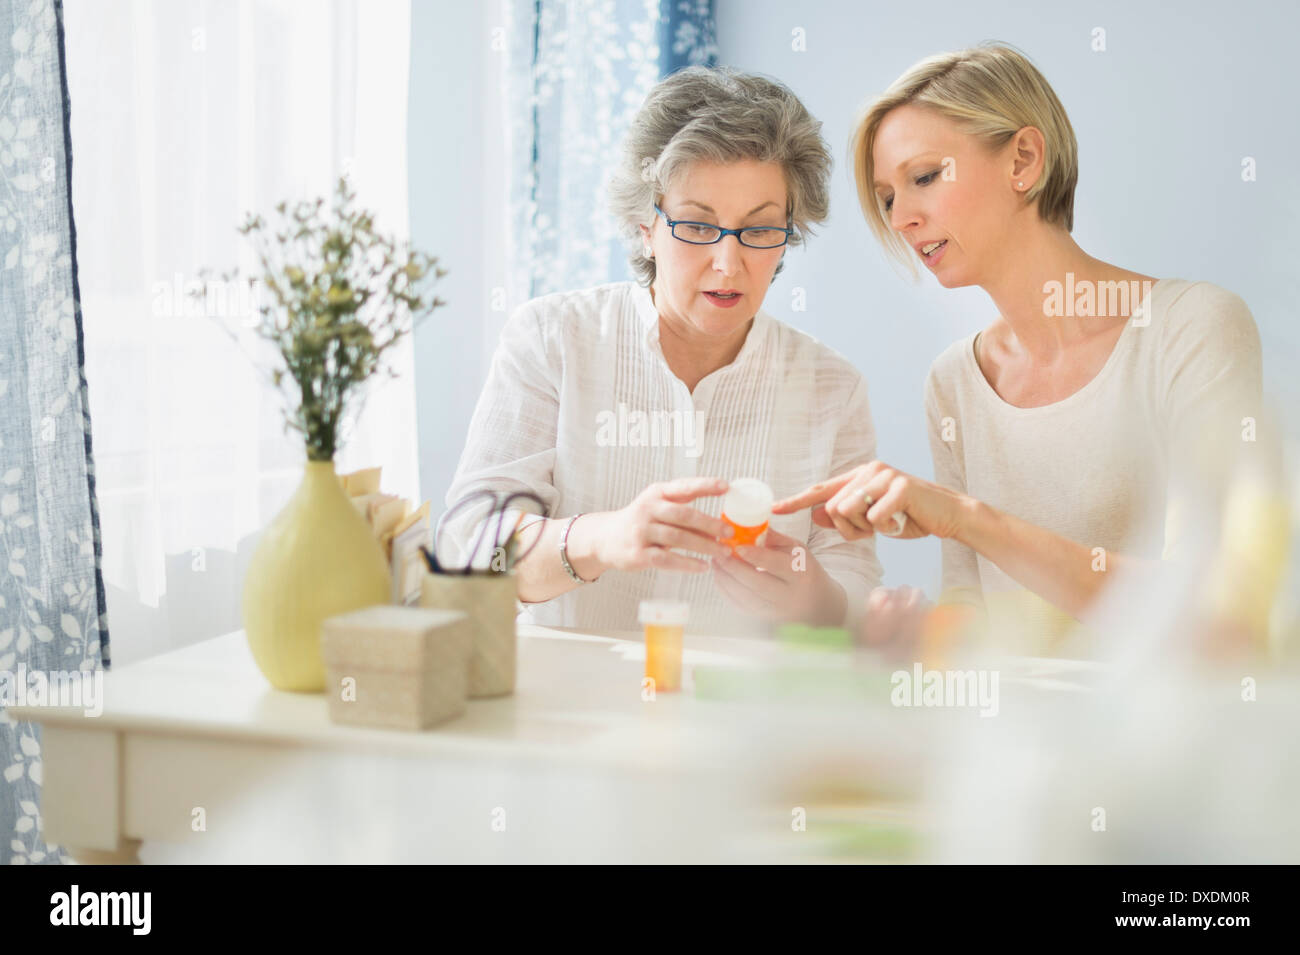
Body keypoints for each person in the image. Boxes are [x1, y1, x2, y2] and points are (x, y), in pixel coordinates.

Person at [774, 43, 1262, 653]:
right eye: (889, 197)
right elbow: (973, 620)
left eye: (924, 177)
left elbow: (1218, 619)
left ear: (1024, 160)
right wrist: (909, 635)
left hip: (1163, 740)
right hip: (1017, 744)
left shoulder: (1190, 329)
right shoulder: (955, 382)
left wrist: (968, 517)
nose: (900, 220)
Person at [441, 66, 885, 635]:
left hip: (742, 711)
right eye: (698, 227)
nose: (729, 264)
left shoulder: (832, 388)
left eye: (760, 229)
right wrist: (600, 539)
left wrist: (813, 597)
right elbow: (468, 550)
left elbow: (853, 578)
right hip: (568, 709)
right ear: (644, 226)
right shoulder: (554, 340)